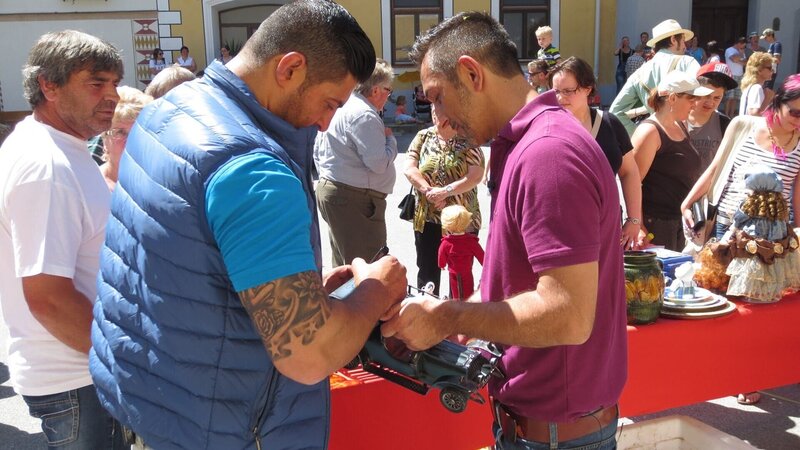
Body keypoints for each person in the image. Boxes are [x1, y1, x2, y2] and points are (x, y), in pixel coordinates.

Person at [90, 2, 408, 449]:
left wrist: (295, 282)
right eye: (330, 102)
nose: (326, 121)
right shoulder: (254, 172)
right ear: (291, 68)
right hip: (225, 426)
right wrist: (377, 290)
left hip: (153, 403)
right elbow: (308, 355)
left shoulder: (173, 107)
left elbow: (185, 255)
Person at [382, 12, 627, 450]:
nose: (436, 116)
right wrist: (455, 318)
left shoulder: (546, 153)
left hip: (557, 434)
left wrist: (452, 316)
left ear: (472, 73)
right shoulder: (523, 142)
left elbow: (568, 315)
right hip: (544, 427)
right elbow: (520, 283)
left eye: (437, 98)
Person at [0, 30, 126, 449]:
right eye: (96, 83)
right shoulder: (46, 166)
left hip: (81, 373)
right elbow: (49, 297)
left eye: (114, 82)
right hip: (76, 380)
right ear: (48, 85)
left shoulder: (62, 147)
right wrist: (122, 359)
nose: (112, 95)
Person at [549, 56, 643, 249]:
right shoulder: (548, 126)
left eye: (568, 91)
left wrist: (634, 220)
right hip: (563, 228)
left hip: (606, 224)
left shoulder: (609, 123)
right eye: (556, 91)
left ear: (587, 88)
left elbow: (630, 172)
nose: (560, 98)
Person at [315, 58, 398, 267]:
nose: (389, 97)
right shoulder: (363, 115)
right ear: (376, 90)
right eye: (388, 91)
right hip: (355, 201)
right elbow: (379, 163)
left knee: (345, 268)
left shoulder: (342, 106)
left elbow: (318, 153)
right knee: (366, 271)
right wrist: (391, 140)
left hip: (341, 195)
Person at [403, 105, 484, 295]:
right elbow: (409, 167)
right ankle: (429, 314)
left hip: (460, 220)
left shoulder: (468, 139)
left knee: (460, 273)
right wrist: (429, 191)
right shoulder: (423, 136)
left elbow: (475, 176)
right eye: (432, 110)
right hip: (427, 217)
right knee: (427, 270)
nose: (434, 115)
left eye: (438, 111)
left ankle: (460, 317)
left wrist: (446, 192)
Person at [631, 71, 712, 251]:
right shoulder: (649, 132)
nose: (694, 105)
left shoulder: (679, 125)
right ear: (673, 98)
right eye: (691, 99)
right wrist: (638, 225)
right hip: (655, 225)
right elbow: (631, 182)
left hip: (677, 222)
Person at [610, 19, 700, 135]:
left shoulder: (639, 73)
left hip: (653, 144)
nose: (685, 47)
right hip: (683, 139)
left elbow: (615, 112)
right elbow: (702, 96)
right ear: (673, 40)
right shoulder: (687, 62)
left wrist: (640, 134)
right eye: (683, 41)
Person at [98, 86, 153, 190]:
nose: (130, 141)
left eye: (137, 132)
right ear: (105, 138)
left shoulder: (164, 184)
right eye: (120, 132)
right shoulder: (91, 184)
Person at [687, 62, 737, 170]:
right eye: (706, 95)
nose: (710, 103)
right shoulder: (677, 119)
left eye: (717, 98)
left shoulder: (725, 124)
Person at [437, 205, 484, 300]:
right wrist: (485, 265)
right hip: (467, 272)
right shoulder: (470, 241)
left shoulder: (446, 243)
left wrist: (441, 264)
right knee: (468, 291)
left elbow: (441, 255)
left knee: (456, 293)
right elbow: (482, 256)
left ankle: (458, 308)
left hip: (453, 272)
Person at [739, 52, 775, 116]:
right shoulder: (756, 88)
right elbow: (754, 114)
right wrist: (768, 98)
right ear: (759, 70)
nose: (772, 71)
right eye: (770, 68)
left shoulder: (752, 87)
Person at [723, 37, 746, 117]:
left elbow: (745, 62)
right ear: (739, 43)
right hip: (731, 76)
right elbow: (733, 59)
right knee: (730, 97)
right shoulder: (729, 50)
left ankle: (731, 115)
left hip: (740, 76)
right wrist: (740, 55)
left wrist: (738, 60)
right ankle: (726, 115)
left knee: (735, 98)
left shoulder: (741, 52)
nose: (743, 47)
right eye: (743, 45)